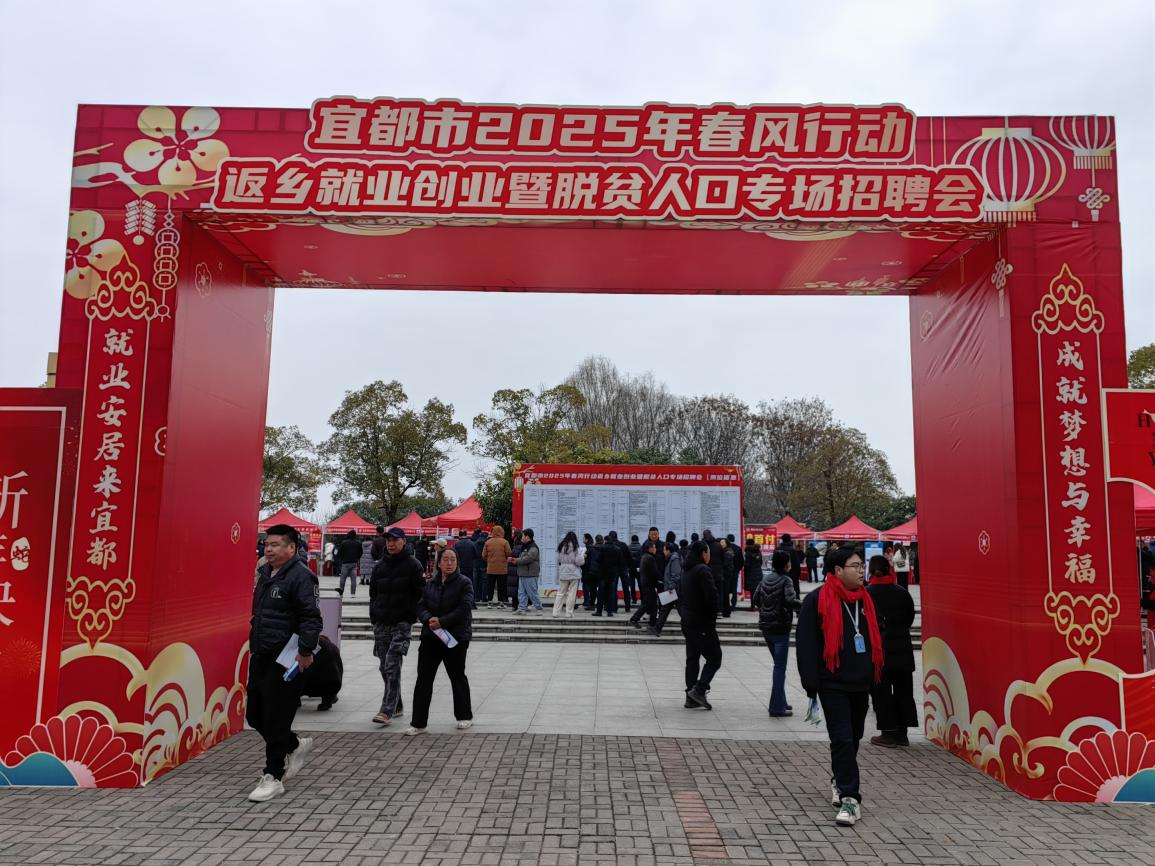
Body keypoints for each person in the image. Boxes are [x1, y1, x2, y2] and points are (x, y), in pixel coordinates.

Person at [796, 546, 883, 827]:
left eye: (862, 565)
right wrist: (811, 683)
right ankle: (850, 798)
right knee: (842, 738)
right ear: (837, 570)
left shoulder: (866, 599)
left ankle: (839, 778)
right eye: (855, 566)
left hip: (860, 682)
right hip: (832, 682)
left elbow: (875, 638)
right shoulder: (817, 600)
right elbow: (807, 644)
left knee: (854, 736)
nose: (861, 570)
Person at [246, 524, 322, 802]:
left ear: (292, 548)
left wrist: (305, 650)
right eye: (267, 544)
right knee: (254, 714)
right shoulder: (266, 574)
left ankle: (273, 776)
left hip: (287, 657)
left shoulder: (303, 577)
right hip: (262, 653)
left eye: (275, 545)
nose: (268, 549)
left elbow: (311, 617)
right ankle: (294, 744)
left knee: (276, 716)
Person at [405, 546, 474, 734]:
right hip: (431, 637)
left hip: (455, 637)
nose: (449, 563)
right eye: (446, 559)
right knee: (424, 679)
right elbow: (420, 606)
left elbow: (465, 608)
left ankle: (464, 716)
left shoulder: (464, 583)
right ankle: (418, 723)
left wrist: (442, 621)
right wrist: (429, 620)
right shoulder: (430, 584)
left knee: (457, 676)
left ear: (457, 562)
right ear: (438, 563)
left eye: (453, 560)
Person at [368, 527, 424, 726]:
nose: (390, 544)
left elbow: (420, 593)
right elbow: (373, 594)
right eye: (388, 540)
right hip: (381, 622)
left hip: (402, 623)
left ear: (403, 541)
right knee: (384, 666)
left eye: (394, 540)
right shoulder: (379, 566)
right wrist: (374, 616)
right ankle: (397, 703)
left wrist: (411, 616)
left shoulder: (413, 565)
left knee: (392, 664)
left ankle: (387, 709)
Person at [866, 555, 917, 748]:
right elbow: (910, 618)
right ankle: (902, 733)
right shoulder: (902, 592)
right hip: (902, 649)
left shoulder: (867, 594)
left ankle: (887, 733)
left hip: (880, 651)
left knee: (882, 693)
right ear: (890, 569)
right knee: (904, 691)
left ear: (870, 571)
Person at [754, 550, 801, 717]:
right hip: (780, 628)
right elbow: (790, 600)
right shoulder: (786, 580)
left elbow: (755, 599)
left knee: (778, 666)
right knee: (780, 668)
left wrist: (767, 609)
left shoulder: (766, 578)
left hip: (766, 627)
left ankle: (781, 701)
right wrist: (805, 605)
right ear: (786, 564)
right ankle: (776, 707)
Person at [682, 540, 722, 709]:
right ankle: (699, 690)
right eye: (708, 552)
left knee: (692, 659)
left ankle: (690, 696)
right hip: (702, 623)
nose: (709, 555)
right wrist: (711, 621)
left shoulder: (686, 569)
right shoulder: (703, 570)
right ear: (703, 553)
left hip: (688, 621)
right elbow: (711, 597)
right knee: (715, 658)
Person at [299, 634, 343, 711]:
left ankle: (328, 699)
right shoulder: (327, 644)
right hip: (331, 671)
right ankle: (329, 698)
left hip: (322, 662)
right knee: (329, 678)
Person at [629, 539, 662, 633]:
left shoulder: (644, 556)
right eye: (654, 547)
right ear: (650, 549)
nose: (655, 549)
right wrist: (661, 580)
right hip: (649, 584)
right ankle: (635, 618)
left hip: (645, 583)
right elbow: (654, 572)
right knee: (647, 603)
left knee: (653, 604)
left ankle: (652, 623)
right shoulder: (650, 558)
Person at [512, 528, 543, 614]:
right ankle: (522, 608)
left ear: (527, 537)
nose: (521, 537)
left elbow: (528, 558)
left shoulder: (533, 547)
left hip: (530, 574)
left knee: (532, 592)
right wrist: (515, 559)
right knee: (521, 592)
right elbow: (523, 558)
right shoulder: (524, 546)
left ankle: (539, 608)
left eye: (523, 536)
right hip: (522, 573)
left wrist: (516, 560)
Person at [654, 540, 682, 635]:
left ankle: (657, 629)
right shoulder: (672, 558)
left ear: (669, 550)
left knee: (676, 611)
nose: (663, 552)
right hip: (672, 589)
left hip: (673, 590)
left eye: (664, 550)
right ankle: (657, 629)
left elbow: (676, 575)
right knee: (664, 610)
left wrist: (670, 588)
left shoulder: (674, 559)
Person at [554, 531, 585, 618]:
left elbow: (558, 559)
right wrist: (583, 557)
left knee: (560, 593)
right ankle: (569, 613)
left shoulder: (561, 547)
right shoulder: (576, 548)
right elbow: (579, 562)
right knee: (571, 594)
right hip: (574, 572)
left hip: (563, 571)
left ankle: (556, 612)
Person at [482, 525, 511, 608]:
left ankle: (489, 602)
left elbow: (483, 555)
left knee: (490, 586)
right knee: (501, 586)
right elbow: (509, 553)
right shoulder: (505, 542)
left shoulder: (488, 542)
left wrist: (489, 561)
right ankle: (500, 602)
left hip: (491, 568)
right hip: (502, 569)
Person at [595, 532, 623, 617]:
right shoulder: (617, 549)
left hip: (603, 573)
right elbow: (620, 562)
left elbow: (598, 559)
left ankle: (599, 611)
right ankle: (609, 611)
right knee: (611, 593)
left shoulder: (602, 548)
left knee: (601, 593)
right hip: (613, 574)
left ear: (605, 540)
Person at [702, 530, 727, 617]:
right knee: (719, 592)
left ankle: (708, 611)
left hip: (706, 573)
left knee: (707, 592)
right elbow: (723, 559)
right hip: (718, 573)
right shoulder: (718, 545)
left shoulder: (703, 546)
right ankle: (719, 611)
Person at [453, 531, 479, 608]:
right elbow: (476, 555)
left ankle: (460, 603)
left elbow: (454, 556)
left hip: (460, 568)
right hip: (470, 567)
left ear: (459, 536)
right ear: (466, 535)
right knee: (470, 585)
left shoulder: (456, 544)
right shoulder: (471, 543)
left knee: (459, 585)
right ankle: (472, 603)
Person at [336, 530, 363, 597]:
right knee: (353, 579)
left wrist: (342, 559)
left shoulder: (344, 543)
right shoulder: (358, 543)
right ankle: (353, 594)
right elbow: (361, 553)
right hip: (354, 563)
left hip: (345, 563)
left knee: (343, 579)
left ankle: (341, 593)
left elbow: (340, 553)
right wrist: (357, 558)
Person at [743, 537, 763, 610]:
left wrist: (745, 573)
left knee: (752, 591)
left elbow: (747, 565)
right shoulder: (758, 551)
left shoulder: (748, 552)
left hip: (751, 574)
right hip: (759, 573)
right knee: (757, 590)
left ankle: (753, 606)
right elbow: (761, 562)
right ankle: (759, 605)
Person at [581, 533, 599, 610]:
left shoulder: (588, 548)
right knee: (592, 587)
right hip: (593, 570)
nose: (582, 540)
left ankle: (587, 602)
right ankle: (590, 602)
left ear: (587, 539)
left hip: (587, 570)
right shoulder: (593, 546)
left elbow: (586, 559)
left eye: (584, 538)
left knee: (586, 586)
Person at [727, 533, 743, 609]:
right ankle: (733, 604)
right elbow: (741, 561)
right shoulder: (738, 548)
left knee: (726, 588)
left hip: (727, 572)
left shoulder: (726, 548)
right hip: (735, 571)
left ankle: (726, 604)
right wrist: (738, 569)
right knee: (734, 588)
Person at [626, 534, 642, 608]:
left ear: (631, 540)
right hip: (639, 568)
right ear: (638, 539)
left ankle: (634, 599)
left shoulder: (628, 547)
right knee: (640, 584)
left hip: (631, 568)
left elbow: (627, 558)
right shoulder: (641, 547)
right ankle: (642, 598)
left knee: (632, 584)